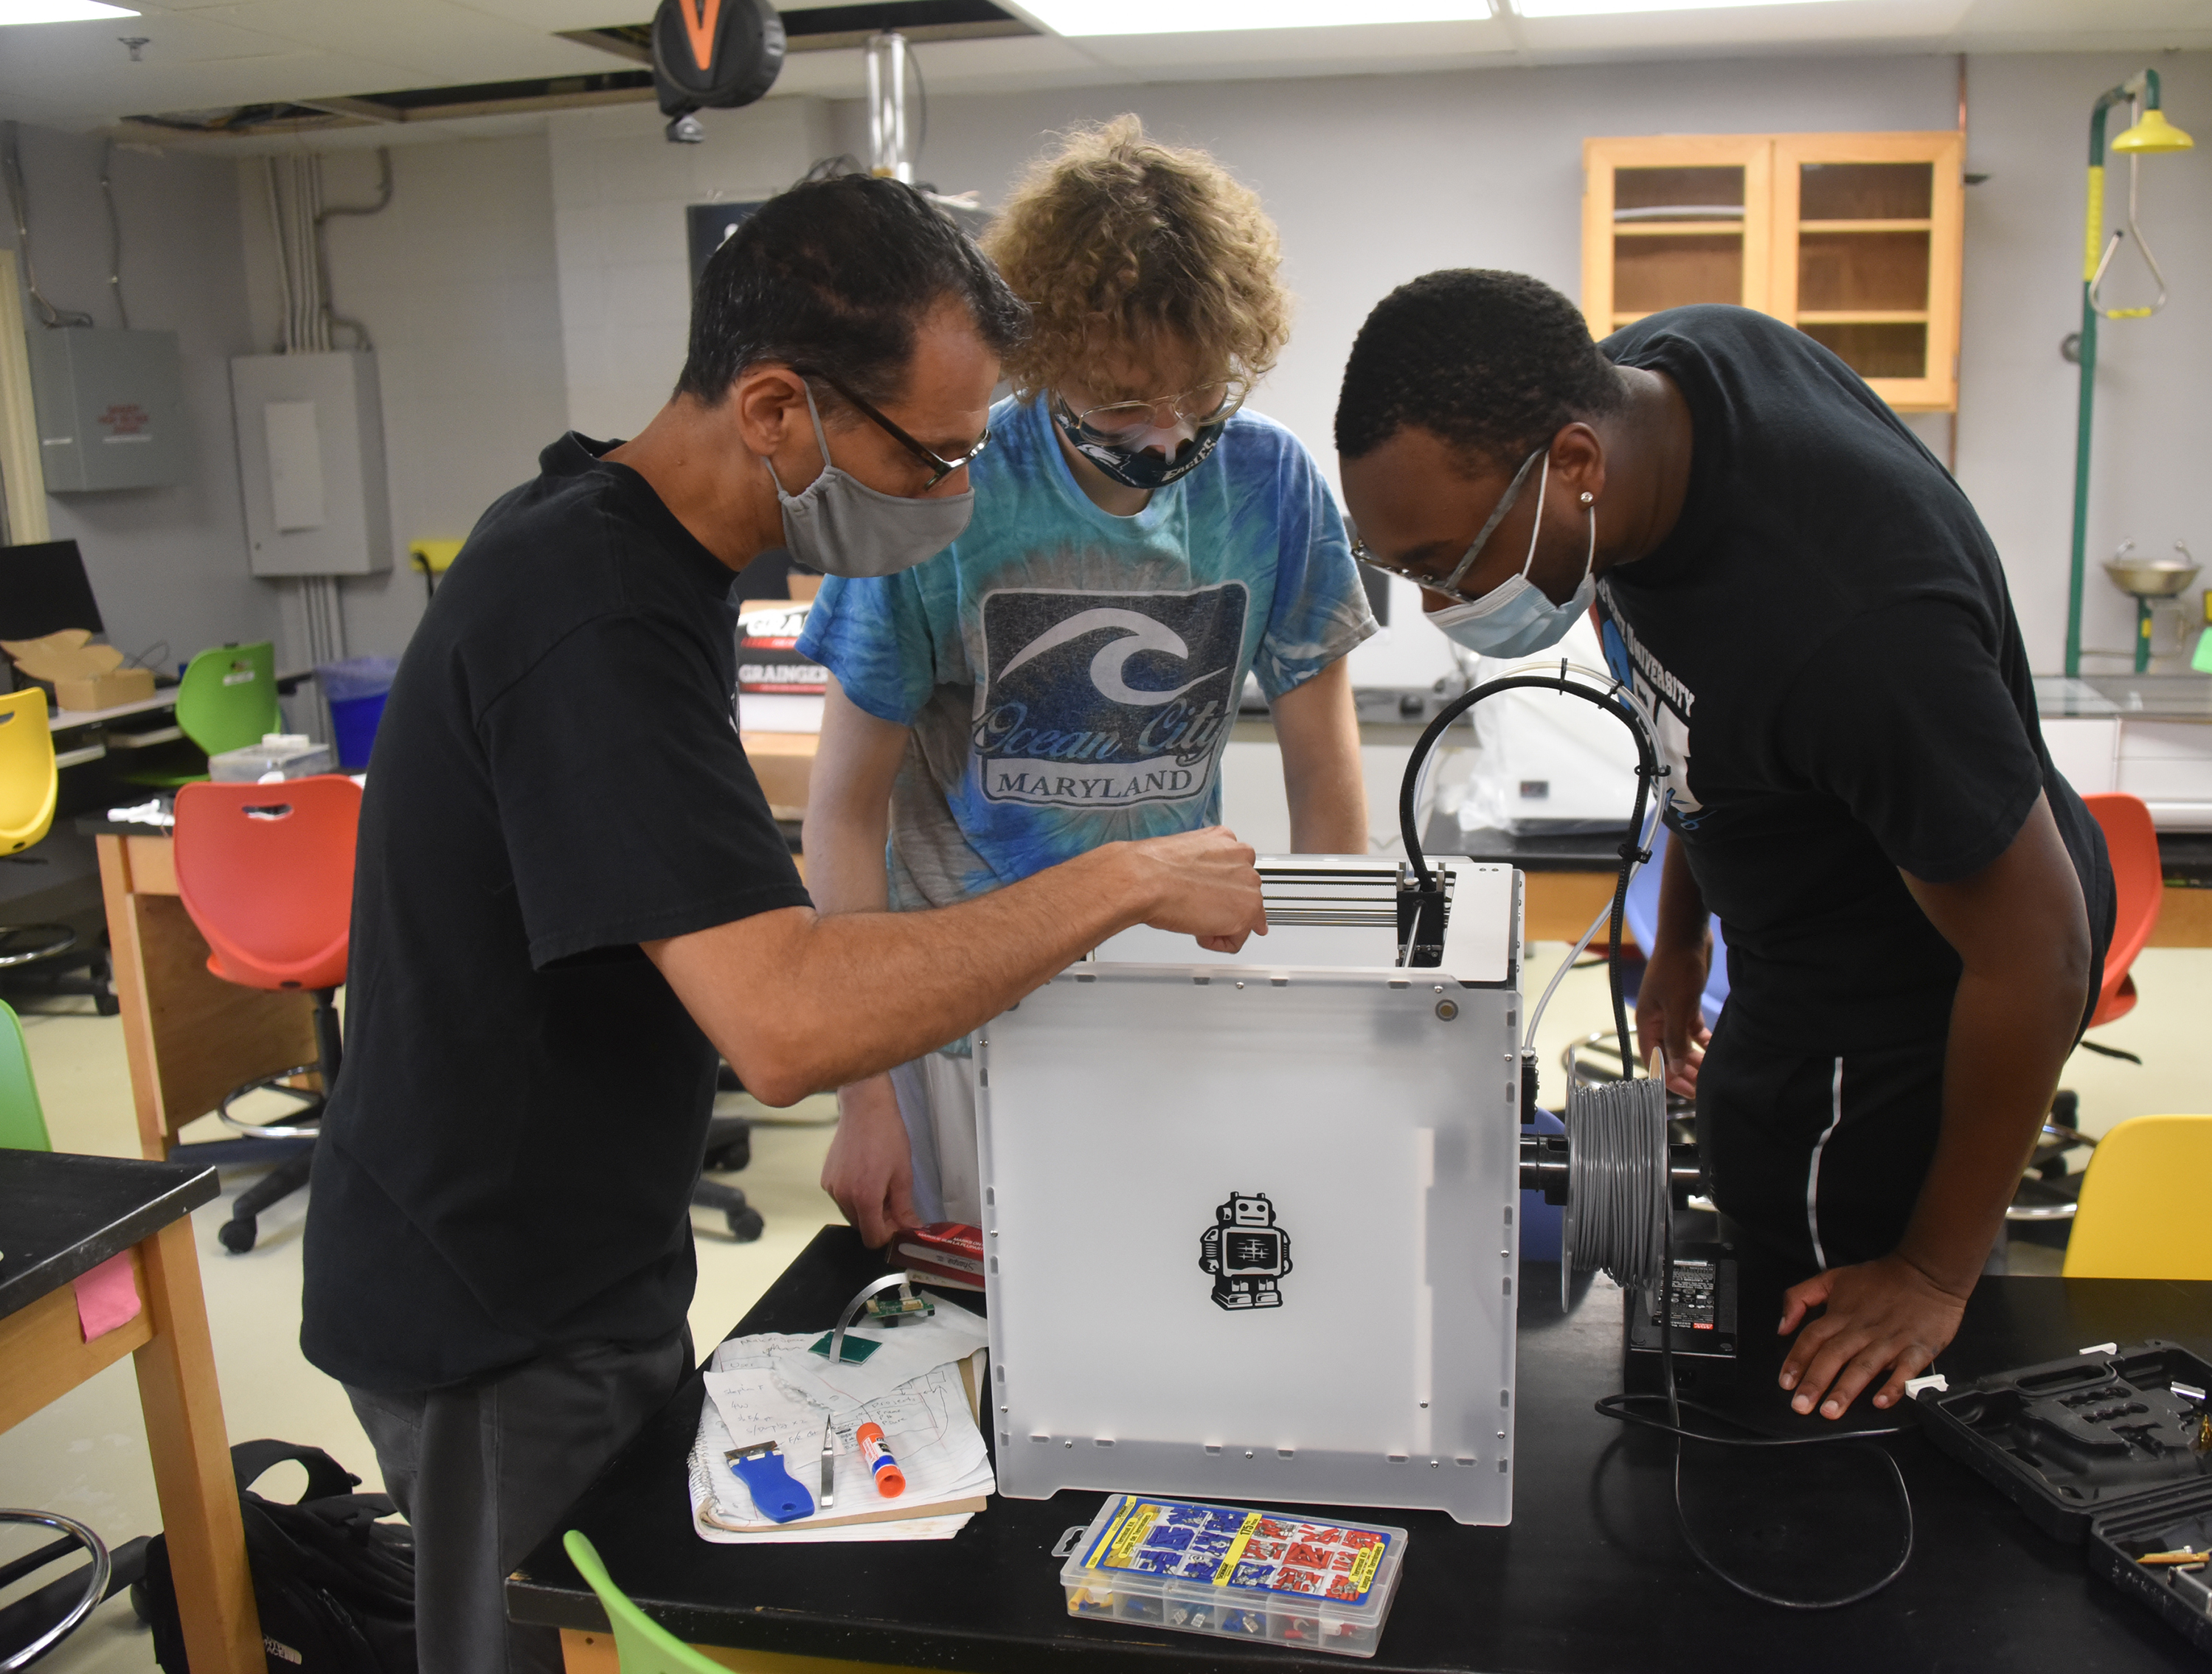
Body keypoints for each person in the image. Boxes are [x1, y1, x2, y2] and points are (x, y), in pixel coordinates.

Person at [299, 175, 1267, 1674]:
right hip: (490, 1300)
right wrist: (1121, 878)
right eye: (934, 456)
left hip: (573, 1257)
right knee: (546, 1644)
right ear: (774, 410)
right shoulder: (590, 610)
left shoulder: (605, 535)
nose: (955, 494)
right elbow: (784, 1021)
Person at [1333, 274, 2114, 1425]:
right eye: (1408, 572)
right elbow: (1696, 700)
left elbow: (2039, 956)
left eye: (1448, 560)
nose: (1442, 603)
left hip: (1932, 977)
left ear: (1577, 463)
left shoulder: (1858, 625)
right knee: (1745, 1159)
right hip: (1816, 908)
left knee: (1823, 1326)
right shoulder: (1662, 383)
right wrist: (1681, 932)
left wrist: (1930, 1273)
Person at [800, 118, 1375, 1243]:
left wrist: (1334, 1006)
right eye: (1122, 404)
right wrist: (861, 1092)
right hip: (962, 1018)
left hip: (1171, 996)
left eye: (1198, 396)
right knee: (989, 1342)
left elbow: (1326, 769)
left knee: (1169, 1294)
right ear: (1046, 359)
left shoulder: (1269, 483)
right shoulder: (946, 496)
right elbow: (842, 805)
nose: (1165, 439)